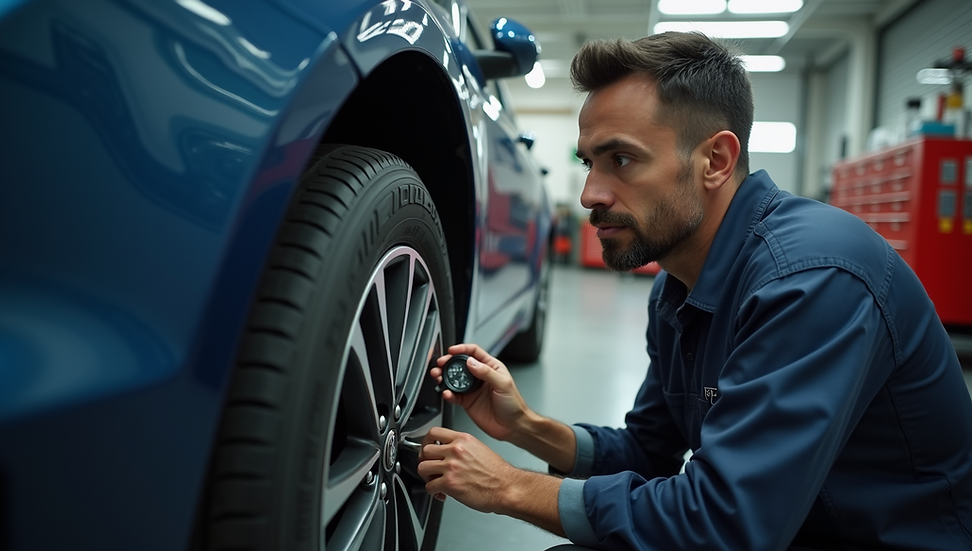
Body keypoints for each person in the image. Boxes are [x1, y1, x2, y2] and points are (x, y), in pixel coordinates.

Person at [416, 31, 972, 550]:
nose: (589, 194)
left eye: (622, 160)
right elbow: (648, 451)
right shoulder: (680, 285)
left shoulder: (812, 279)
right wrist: (525, 427)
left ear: (715, 161)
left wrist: (511, 488)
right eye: (589, 163)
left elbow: (726, 522)